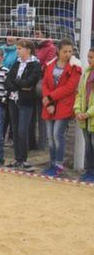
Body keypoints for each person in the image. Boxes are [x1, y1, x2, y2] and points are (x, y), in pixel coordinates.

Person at [40, 39, 81, 177]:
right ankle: (52, 163)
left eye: (70, 51)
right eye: (65, 51)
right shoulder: (50, 64)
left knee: (58, 134)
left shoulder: (75, 66)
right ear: (58, 50)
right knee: (50, 137)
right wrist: (49, 103)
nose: (68, 54)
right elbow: (45, 83)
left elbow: (69, 87)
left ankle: (59, 164)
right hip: (50, 105)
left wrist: (50, 98)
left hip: (64, 104)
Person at [4, 39, 42, 171]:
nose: (17, 51)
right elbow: (8, 81)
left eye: (19, 49)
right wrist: (19, 85)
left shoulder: (35, 64)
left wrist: (17, 84)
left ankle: (23, 159)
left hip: (26, 102)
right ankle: (17, 159)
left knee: (22, 131)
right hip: (13, 100)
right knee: (15, 131)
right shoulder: (17, 63)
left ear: (28, 50)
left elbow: (30, 82)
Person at [74, 47, 94, 182]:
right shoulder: (86, 73)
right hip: (84, 116)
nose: (89, 59)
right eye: (88, 57)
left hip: (90, 115)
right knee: (88, 145)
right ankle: (89, 170)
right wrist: (77, 110)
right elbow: (80, 94)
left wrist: (88, 113)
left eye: (92, 57)